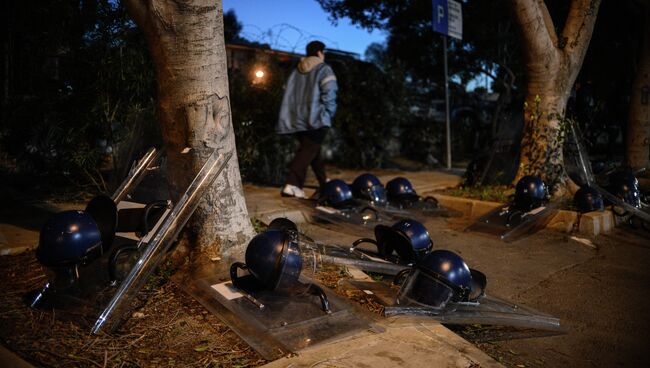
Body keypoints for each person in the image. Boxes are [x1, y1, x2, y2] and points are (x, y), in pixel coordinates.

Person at [277, 40, 338, 198]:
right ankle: (292, 184)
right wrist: (328, 113)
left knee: (312, 150)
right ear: (319, 53)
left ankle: (324, 182)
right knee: (308, 150)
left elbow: (287, 94)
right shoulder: (323, 69)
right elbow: (330, 93)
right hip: (316, 118)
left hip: (296, 118)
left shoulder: (295, 72)